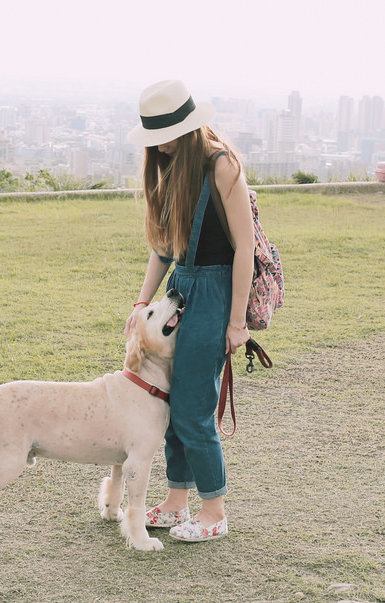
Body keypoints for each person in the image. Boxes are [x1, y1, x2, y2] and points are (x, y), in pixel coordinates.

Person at [124, 79, 254, 542]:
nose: (159, 147)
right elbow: (164, 249)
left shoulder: (222, 165)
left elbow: (245, 249)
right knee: (170, 400)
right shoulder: (171, 164)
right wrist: (142, 303)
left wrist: (237, 322)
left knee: (194, 407)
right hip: (181, 288)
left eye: (165, 136)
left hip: (217, 291)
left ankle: (213, 511)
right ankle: (177, 499)